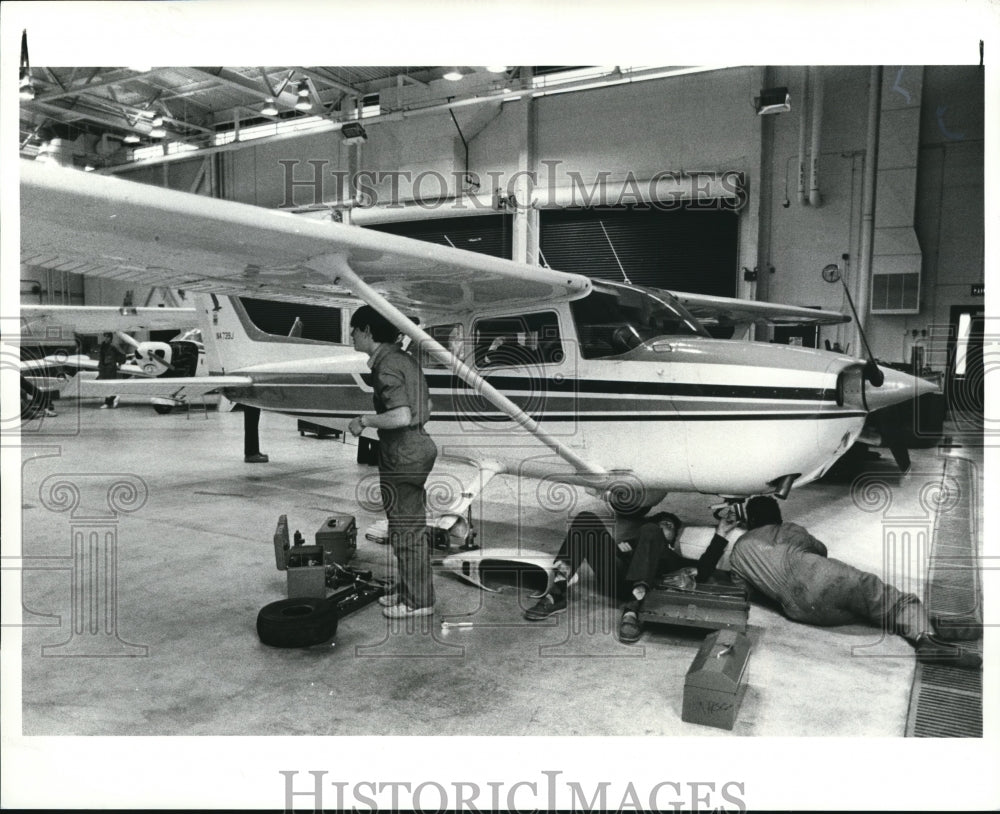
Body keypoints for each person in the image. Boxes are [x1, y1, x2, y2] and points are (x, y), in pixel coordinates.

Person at [700, 496, 981, 669]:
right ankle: (926, 639)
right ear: (778, 517)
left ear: (749, 522)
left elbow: (741, 593)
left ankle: (926, 624)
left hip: (799, 611)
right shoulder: (790, 529)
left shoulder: (739, 550)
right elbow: (821, 550)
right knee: (888, 599)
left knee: (868, 610)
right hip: (821, 577)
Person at [347, 306, 437, 619]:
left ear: (368, 331)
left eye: (354, 329)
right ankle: (412, 589)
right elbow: (426, 403)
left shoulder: (386, 366)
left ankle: (419, 601)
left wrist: (363, 420)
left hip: (403, 453)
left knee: (406, 531)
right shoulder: (403, 359)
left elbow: (401, 415)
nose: (351, 335)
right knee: (406, 529)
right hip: (417, 446)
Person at [523, 510, 725, 643]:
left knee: (650, 531)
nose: (664, 525)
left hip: (645, 591)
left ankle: (634, 610)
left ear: (674, 537)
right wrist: (624, 548)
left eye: (669, 525)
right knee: (586, 519)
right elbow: (609, 553)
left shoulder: (673, 558)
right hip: (616, 578)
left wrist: (722, 533)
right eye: (659, 522)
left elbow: (704, 570)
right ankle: (557, 592)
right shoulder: (628, 545)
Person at [97, 332, 125, 409]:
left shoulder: (114, 345)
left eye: (107, 337)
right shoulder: (103, 346)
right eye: (105, 337)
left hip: (111, 367)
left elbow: (122, 354)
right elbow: (101, 357)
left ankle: (109, 401)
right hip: (103, 368)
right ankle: (113, 398)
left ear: (110, 338)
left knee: (110, 384)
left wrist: (120, 364)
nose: (106, 338)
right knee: (105, 385)